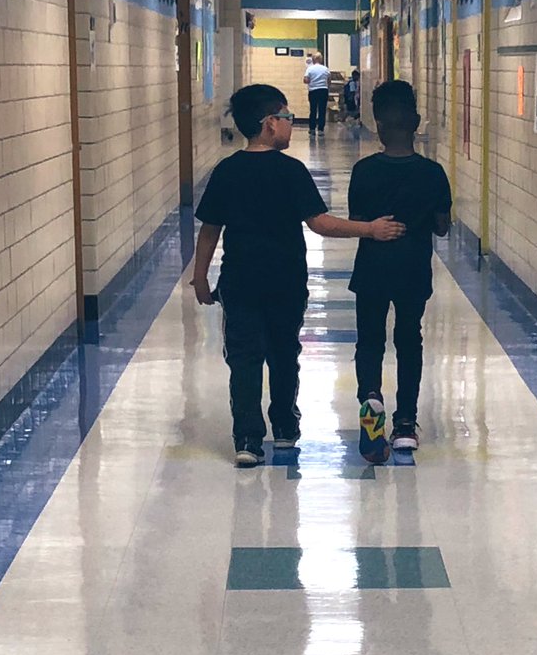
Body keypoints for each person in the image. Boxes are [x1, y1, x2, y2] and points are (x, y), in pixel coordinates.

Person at [192, 84, 404, 467]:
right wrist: (369, 230)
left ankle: (247, 439)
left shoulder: (227, 171)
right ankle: (285, 428)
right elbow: (321, 224)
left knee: (244, 358)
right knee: (284, 353)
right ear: (269, 124)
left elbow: (210, 230)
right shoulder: (291, 172)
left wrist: (200, 276)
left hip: (240, 282)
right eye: (288, 117)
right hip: (285, 281)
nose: (292, 124)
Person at [347, 80, 452, 463]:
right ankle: (405, 424)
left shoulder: (363, 172)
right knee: (409, 341)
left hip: (372, 267)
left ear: (377, 125)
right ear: (417, 121)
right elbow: (442, 227)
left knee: (370, 340)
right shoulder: (433, 173)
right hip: (412, 270)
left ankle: (371, 396)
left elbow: (359, 220)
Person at [304, 52, 331, 136]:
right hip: (323, 90)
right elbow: (329, 80)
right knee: (322, 110)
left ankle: (312, 129)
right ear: (321, 59)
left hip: (313, 91)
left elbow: (306, 80)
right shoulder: (325, 69)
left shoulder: (310, 69)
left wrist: (311, 81)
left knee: (313, 110)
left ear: (313, 59)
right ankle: (320, 129)